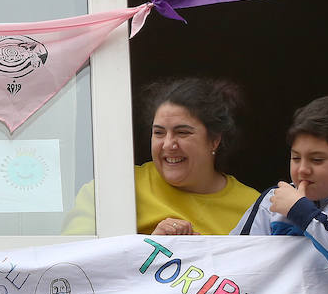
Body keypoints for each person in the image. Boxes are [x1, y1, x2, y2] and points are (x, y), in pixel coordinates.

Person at [62, 77, 259, 236]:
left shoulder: (254, 208)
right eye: (159, 133)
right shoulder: (109, 190)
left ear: (214, 140)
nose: (168, 144)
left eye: (182, 132)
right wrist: (150, 249)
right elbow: (73, 262)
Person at [231, 96, 328, 279]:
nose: (302, 169)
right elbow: (236, 258)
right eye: (296, 158)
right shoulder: (273, 199)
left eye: (317, 160)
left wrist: (301, 212)